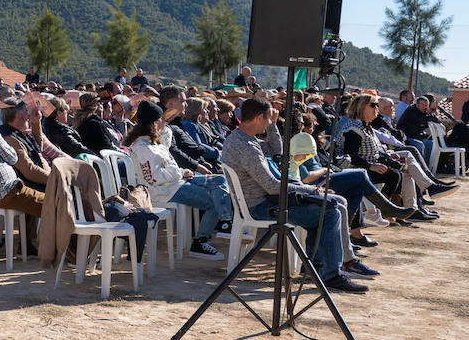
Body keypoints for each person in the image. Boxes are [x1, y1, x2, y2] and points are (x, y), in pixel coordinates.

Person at [219, 97, 367, 293]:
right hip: (261, 206)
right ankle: (330, 274)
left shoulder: (243, 138)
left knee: (333, 205)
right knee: (330, 212)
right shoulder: (245, 147)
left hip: (264, 200)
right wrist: (312, 190)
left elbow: (276, 152)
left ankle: (316, 266)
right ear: (258, 118)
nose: (270, 122)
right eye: (268, 119)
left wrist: (272, 126)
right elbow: (272, 187)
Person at [125, 101, 230, 259]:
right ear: (153, 122)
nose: (164, 122)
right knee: (214, 200)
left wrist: (181, 173)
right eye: (161, 119)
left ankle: (226, 222)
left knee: (219, 180)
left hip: (175, 183)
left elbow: (167, 163)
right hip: (164, 190)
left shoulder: (152, 142)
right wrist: (181, 173)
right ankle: (200, 242)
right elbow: (154, 178)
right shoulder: (142, 147)